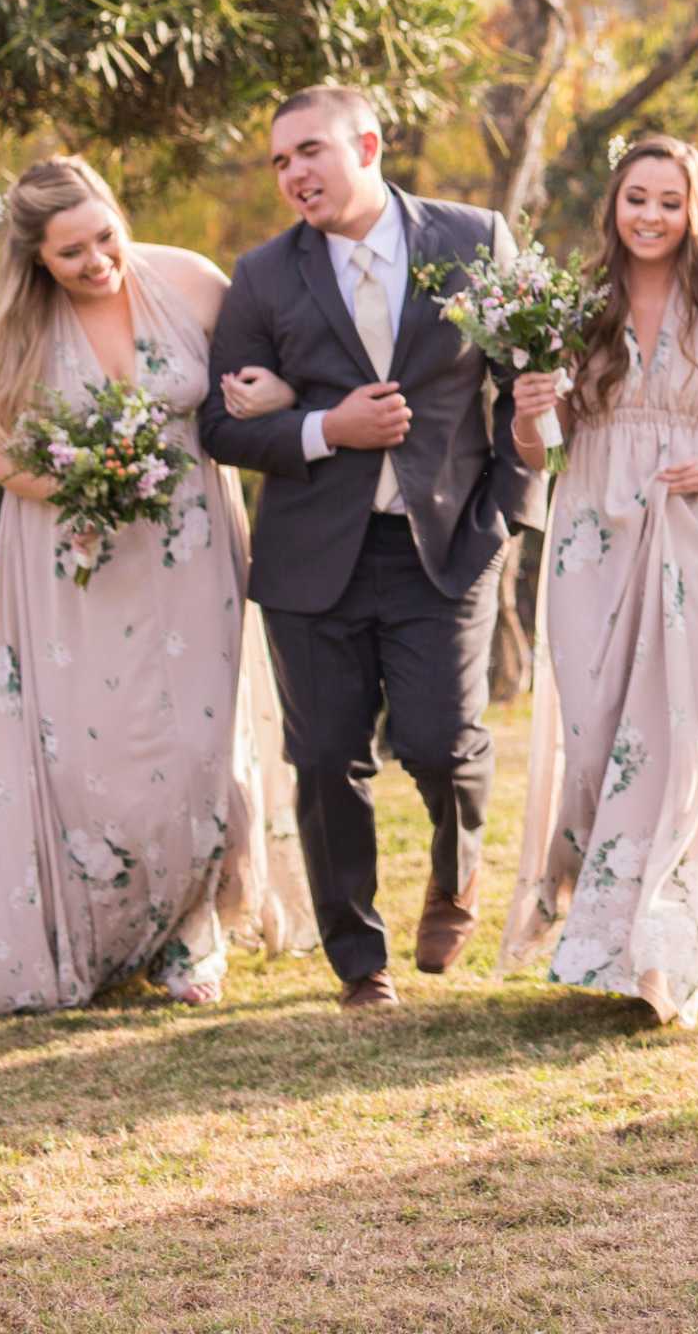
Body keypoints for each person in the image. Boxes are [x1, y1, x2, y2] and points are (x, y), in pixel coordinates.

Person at [0, 157, 311, 1017]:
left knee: (199, 745)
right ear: (35, 260)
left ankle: (195, 932)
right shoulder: (10, 323)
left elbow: (271, 376)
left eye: (104, 237)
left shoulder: (191, 281)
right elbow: (10, 464)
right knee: (98, 756)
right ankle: (99, 931)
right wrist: (101, 480)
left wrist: (278, 395)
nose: (97, 263)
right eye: (70, 253)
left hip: (196, 552)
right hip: (77, 563)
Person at [202, 87, 530, 1011]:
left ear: (369, 145)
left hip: (446, 544)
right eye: (279, 162)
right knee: (326, 761)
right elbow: (221, 429)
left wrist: (507, 509)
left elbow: (525, 380)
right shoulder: (262, 276)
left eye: (310, 152)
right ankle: (360, 963)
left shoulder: (473, 240)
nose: (295, 174)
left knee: (437, 743)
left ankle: (456, 875)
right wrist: (322, 428)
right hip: (313, 557)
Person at [498, 135, 698, 1023]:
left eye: (668, 200)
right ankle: (602, 926)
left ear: (694, 210)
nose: (651, 215)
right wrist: (526, 411)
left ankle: (661, 948)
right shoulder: (574, 308)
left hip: (693, 531)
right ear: (613, 208)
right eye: (636, 199)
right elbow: (541, 451)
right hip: (590, 531)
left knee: (679, 735)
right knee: (594, 741)